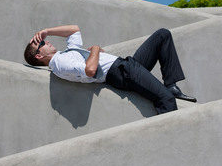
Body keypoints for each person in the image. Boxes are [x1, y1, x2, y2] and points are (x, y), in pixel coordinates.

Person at [24, 25, 196, 115]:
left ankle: (171, 84)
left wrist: (46, 31)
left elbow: (74, 30)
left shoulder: (66, 53)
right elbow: (90, 70)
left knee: (162, 35)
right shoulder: (59, 62)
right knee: (166, 100)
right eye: (40, 44)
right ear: (39, 56)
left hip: (127, 65)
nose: (45, 42)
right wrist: (96, 50)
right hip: (122, 72)